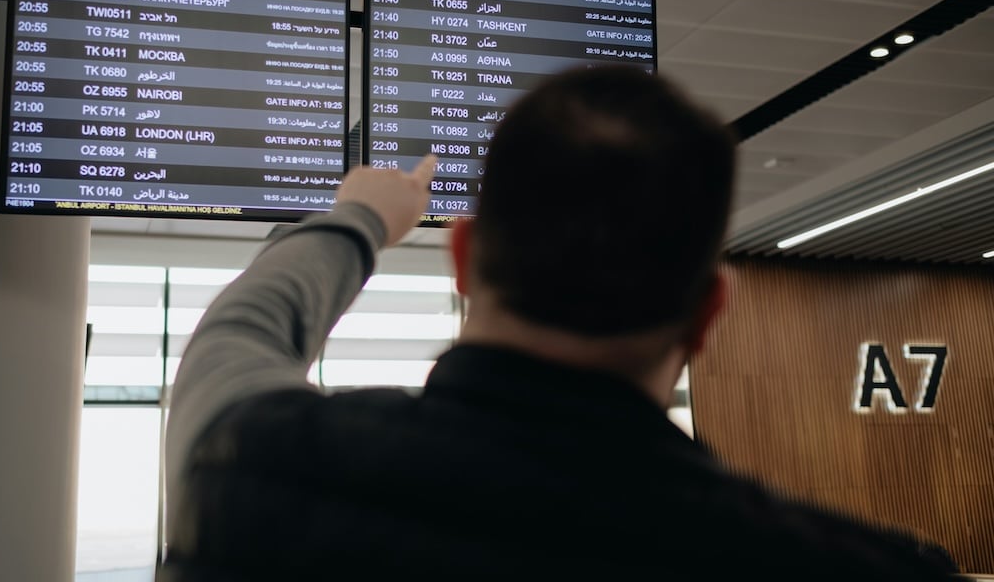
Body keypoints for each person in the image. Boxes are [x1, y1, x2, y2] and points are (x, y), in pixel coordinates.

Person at [160, 66, 959, 580]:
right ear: (709, 310)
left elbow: (239, 336)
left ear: (464, 258)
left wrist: (359, 219)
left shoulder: (255, 466)